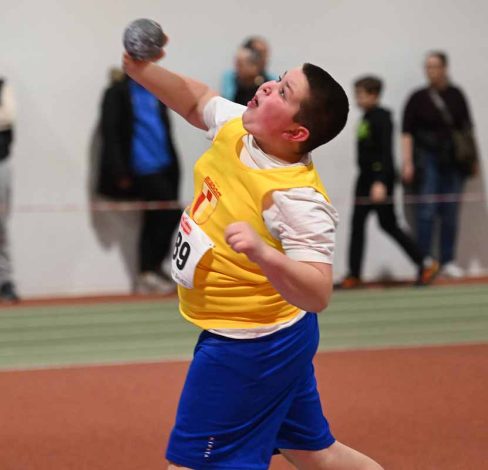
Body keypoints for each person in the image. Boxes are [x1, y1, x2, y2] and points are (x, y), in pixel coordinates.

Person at [123, 37, 383, 470]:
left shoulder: (297, 198)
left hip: (253, 343)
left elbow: (318, 292)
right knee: (314, 453)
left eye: (283, 91)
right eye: (277, 80)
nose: (266, 86)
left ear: (296, 133)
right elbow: (197, 101)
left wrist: (266, 254)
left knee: (190, 466)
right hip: (270, 334)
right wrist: (142, 70)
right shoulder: (241, 129)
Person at [341, 76, 439, 289]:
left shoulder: (382, 118)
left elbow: (385, 153)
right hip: (364, 180)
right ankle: (354, 275)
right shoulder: (366, 118)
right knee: (357, 226)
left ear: (374, 95)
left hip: (379, 180)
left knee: (389, 224)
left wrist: (380, 182)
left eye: (361, 95)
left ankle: (426, 263)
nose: (357, 99)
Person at [98, 68, 181, 294]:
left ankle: (151, 268)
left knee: (160, 216)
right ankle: (147, 269)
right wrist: (119, 171)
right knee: (165, 215)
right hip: (141, 166)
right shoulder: (118, 92)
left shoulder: (155, 90)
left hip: (163, 164)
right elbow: (110, 132)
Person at [402, 51, 477, 279]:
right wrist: (407, 162)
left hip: (454, 160)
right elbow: (406, 132)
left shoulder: (456, 95)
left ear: (445, 68)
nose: (431, 71)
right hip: (427, 160)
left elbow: (467, 129)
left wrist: (472, 159)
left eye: (435, 66)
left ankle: (448, 260)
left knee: (450, 211)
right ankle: (425, 261)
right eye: (427, 66)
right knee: (426, 211)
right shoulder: (417, 98)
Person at [0, 77, 19, 303]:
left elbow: (8, 116)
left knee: (0, 225)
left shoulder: (3, 86)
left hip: (1, 163)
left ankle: (4, 281)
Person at [221, 36, 276, 104]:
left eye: (264, 55)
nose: (264, 59)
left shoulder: (271, 81)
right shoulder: (230, 77)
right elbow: (227, 101)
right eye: (258, 53)